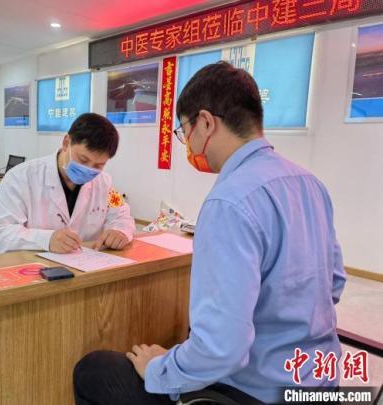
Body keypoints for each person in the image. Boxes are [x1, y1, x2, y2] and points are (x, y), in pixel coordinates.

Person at [73, 62, 346, 404]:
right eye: (85, 160)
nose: (187, 143)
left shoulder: (228, 201)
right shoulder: (310, 183)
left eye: (185, 131)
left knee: (95, 371)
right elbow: (335, 284)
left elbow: (222, 348)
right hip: (319, 384)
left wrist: (160, 368)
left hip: (255, 392)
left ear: (205, 122)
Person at [0, 113, 135, 254]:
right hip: (31, 266)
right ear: (66, 143)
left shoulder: (105, 184)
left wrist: (120, 231)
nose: (88, 169)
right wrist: (45, 240)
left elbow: (121, 214)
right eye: (83, 160)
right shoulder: (21, 177)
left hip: (84, 265)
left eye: (98, 165)